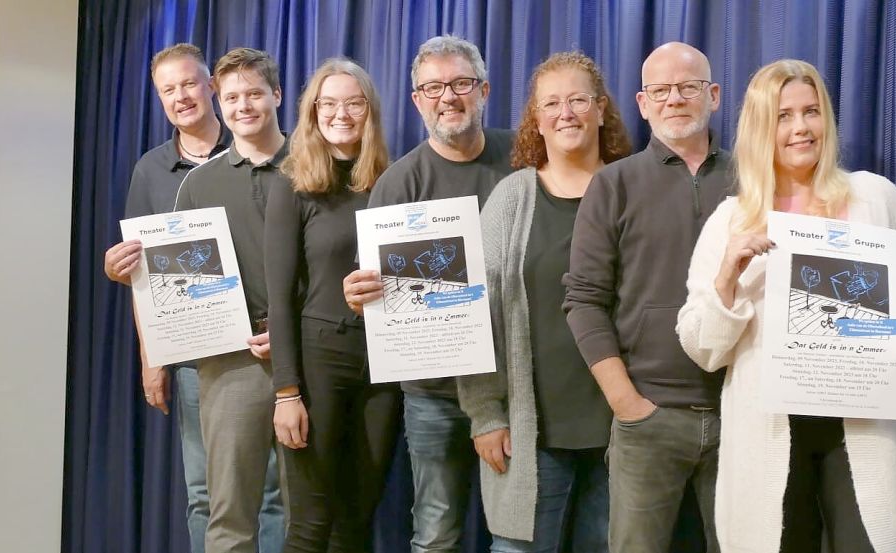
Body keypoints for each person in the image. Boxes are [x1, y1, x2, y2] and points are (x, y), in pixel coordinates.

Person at [675, 59, 896, 553]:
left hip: (863, 428)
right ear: (761, 127)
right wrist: (728, 274)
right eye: (784, 116)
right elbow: (702, 348)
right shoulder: (731, 220)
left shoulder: (876, 199)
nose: (802, 127)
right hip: (768, 436)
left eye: (811, 112)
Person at [101, 43, 283, 553]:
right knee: (205, 492)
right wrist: (150, 356)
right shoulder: (150, 170)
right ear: (160, 99)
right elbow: (142, 271)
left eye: (189, 84)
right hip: (196, 354)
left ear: (211, 88)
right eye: (168, 89)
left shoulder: (255, 143)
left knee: (272, 493)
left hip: (269, 345)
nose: (181, 96)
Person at [342, 35, 515, 552]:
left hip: (516, 387)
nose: (449, 97)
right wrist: (361, 292)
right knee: (436, 531)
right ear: (417, 100)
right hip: (433, 394)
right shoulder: (398, 183)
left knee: (518, 532)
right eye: (433, 87)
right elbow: (375, 283)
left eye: (461, 84)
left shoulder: (526, 158)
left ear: (483, 90)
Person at [457, 51, 631, 552]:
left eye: (578, 100)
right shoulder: (512, 197)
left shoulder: (632, 188)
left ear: (601, 109)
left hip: (620, 427)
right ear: (536, 118)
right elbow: (477, 313)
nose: (565, 113)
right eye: (551, 103)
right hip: (533, 431)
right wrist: (486, 413)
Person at [561, 42, 729, 553]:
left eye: (688, 87)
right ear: (641, 102)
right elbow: (584, 299)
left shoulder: (756, 181)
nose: (674, 99)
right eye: (661, 90)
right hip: (648, 418)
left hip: (742, 414)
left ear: (714, 96)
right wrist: (626, 403)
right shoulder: (614, 185)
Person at [264, 58, 400, 552]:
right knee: (310, 523)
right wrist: (286, 392)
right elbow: (279, 297)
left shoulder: (394, 180)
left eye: (354, 102)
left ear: (371, 111)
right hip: (319, 358)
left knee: (358, 518)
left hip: (386, 366)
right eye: (329, 103)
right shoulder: (292, 184)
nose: (341, 113)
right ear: (312, 112)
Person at [173, 47, 288, 553]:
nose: (244, 106)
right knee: (229, 512)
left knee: (300, 509)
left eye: (255, 94)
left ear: (277, 96)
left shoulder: (314, 170)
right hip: (230, 361)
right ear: (220, 103)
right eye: (233, 97)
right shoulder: (199, 184)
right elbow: (184, 279)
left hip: (304, 359)